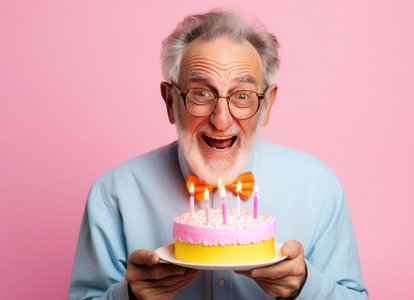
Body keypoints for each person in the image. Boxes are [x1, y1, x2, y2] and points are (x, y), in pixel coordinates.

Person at [69, 10, 368, 300]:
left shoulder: (319, 188)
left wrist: (304, 286)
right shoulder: (112, 194)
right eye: (201, 94)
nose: (222, 120)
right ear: (170, 100)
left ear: (267, 106)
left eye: (242, 96)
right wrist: (131, 297)